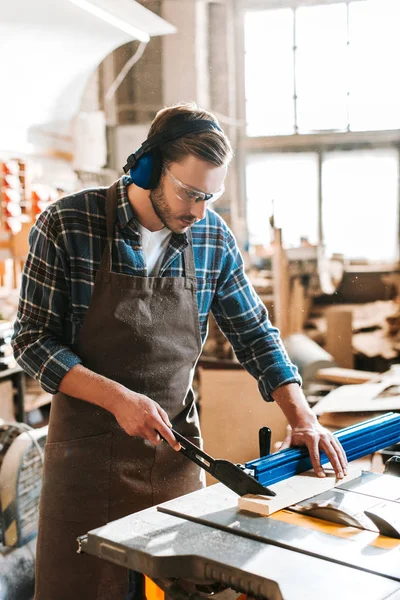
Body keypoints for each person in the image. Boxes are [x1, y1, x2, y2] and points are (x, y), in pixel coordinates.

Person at [12, 102, 348, 600]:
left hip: (173, 458)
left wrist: (302, 417)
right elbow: (32, 341)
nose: (197, 211)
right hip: (82, 465)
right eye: (190, 193)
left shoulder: (211, 236)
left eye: (209, 197)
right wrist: (118, 398)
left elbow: (255, 332)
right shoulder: (68, 224)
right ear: (149, 168)